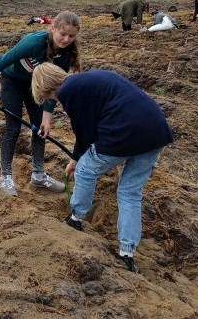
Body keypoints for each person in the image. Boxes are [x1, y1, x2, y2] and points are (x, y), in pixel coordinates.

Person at [31, 63, 173, 273]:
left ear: (46, 88)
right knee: (130, 192)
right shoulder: (88, 80)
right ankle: (126, 253)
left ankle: (76, 218)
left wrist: (76, 160)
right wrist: (77, 156)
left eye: (49, 97)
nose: (53, 101)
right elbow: (90, 128)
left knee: (86, 171)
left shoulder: (68, 91)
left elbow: (85, 132)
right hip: (156, 131)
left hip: (125, 132)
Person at [0, 11, 81, 196]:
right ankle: (5, 176)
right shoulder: (33, 42)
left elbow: (53, 88)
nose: (66, 39)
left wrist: (47, 117)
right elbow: (4, 60)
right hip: (13, 81)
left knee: (40, 128)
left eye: (71, 36)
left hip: (36, 87)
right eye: (63, 34)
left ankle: (38, 174)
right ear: (52, 28)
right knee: (13, 127)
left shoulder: (67, 55)